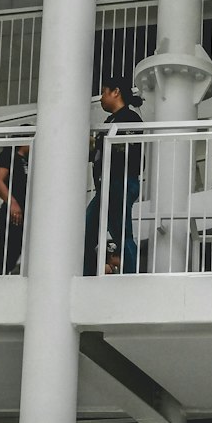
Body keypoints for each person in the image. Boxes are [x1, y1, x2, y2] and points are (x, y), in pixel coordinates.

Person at [83, 76, 144, 276]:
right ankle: (89, 273)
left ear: (115, 92)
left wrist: (99, 142)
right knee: (88, 231)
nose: (101, 97)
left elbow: (127, 149)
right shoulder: (111, 121)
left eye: (104, 91)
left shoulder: (130, 118)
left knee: (121, 233)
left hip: (120, 181)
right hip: (107, 185)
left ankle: (130, 277)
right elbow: (98, 153)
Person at [0, 142, 30, 275]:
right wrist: (12, 203)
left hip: (27, 213)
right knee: (7, 260)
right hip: (13, 214)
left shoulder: (30, 159)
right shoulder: (8, 156)